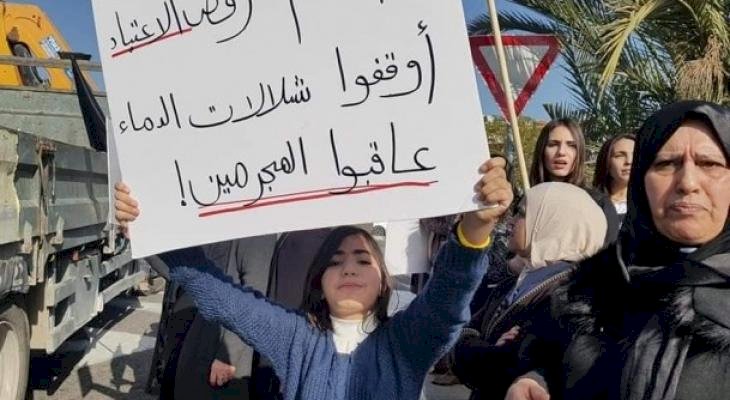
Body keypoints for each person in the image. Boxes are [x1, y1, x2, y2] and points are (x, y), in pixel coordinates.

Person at [115, 157, 514, 400]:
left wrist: (475, 228)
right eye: (336, 261)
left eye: (362, 259)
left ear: (383, 281)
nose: (349, 268)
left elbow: (448, 295)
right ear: (319, 282)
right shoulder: (296, 339)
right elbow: (218, 296)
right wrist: (153, 229)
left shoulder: (407, 340)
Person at [506, 101, 730, 400]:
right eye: (666, 164)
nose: (688, 183)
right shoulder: (590, 288)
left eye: (710, 164)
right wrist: (537, 380)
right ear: (641, 181)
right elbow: (549, 356)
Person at [450, 182, 608, 400]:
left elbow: (510, 366)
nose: (512, 220)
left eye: (522, 213)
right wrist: (484, 349)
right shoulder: (516, 280)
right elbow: (462, 336)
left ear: (552, 222)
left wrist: (479, 349)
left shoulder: (573, 295)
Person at [150, 236, 276, 400]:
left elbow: (254, 296)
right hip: (185, 339)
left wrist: (228, 356)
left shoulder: (253, 232)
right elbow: (177, 270)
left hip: (216, 349)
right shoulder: (211, 230)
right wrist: (143, 243)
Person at [529, 119, 619, 244]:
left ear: (580, 153)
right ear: (542, 150)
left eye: (571, 145)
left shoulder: (598, 204)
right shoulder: (527, 202)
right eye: (553, 144)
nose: (561, 152)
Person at [593, 134, 636, 223]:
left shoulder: (651, 204)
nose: (629, 161)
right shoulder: (591, 203)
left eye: (635, 154)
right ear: (606, 161)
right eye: (619, 155)